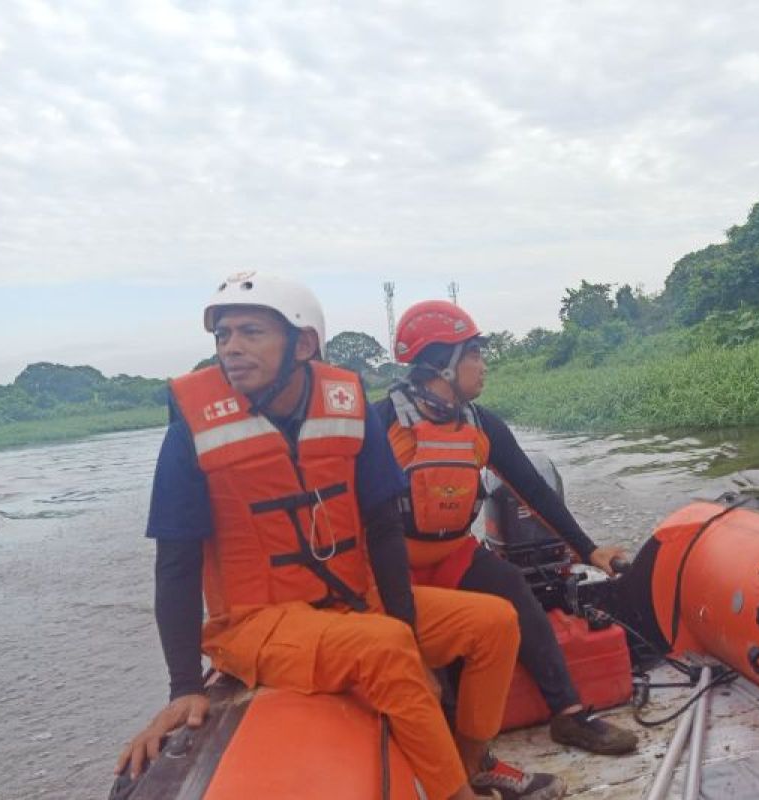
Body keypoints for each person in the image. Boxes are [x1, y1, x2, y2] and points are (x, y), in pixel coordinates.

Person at [115, 273, 566, 800]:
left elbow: (380, 524)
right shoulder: (192, 428)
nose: (231, 349)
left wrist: (405, 623)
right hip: (257, 621)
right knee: (386, 647)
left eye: (251, 333)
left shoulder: (347, 404)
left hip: (351, 600)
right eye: (223, 336)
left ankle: (468, 765)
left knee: (493, 621)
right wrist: (184, 686)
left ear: (303, 344)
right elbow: (175, 563)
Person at [375, 300, 639, 756]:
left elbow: (534, 491)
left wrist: (586, 548)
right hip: (393, 562)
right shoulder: (381, 424)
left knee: (511, 586)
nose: (484, 366)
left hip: (453, 552)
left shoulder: (480, 423)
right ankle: (452, 739)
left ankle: (569, 714)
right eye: (475, 354)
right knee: (418, 650)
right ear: (444, 363)